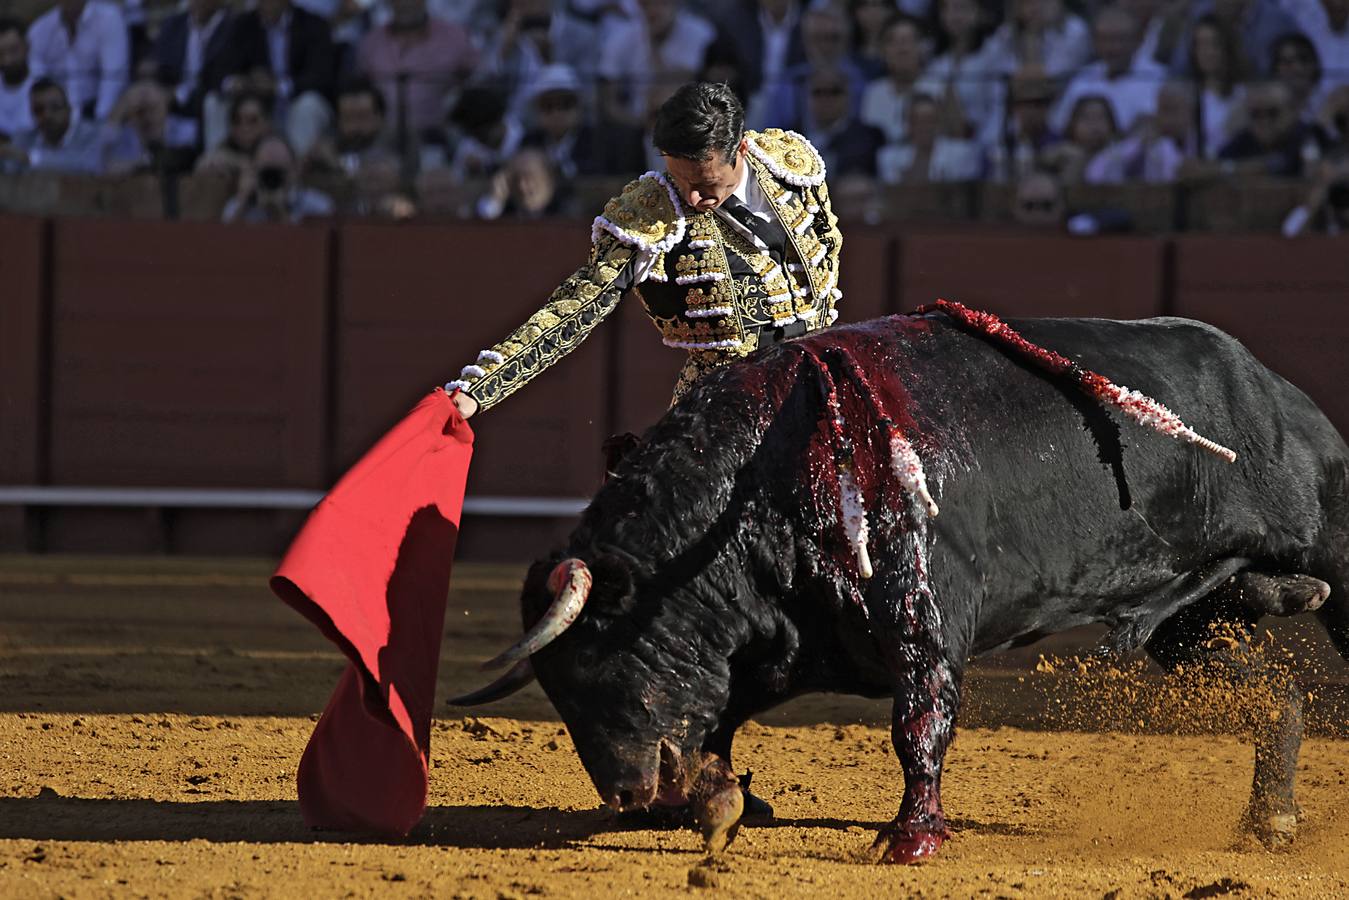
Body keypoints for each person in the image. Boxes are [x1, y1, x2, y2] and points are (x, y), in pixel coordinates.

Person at [446, 81, 843, 418]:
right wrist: (480, 389)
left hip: (818, 387)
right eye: (679, 178)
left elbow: (827, 248)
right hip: (722, 409)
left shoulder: (789, 165)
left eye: (706, 183)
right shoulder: (648, 215)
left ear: (739, 150)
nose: (692, 197)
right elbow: (577, 306)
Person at [25, 0, 129, 121]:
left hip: (97, 109)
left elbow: (114, 77)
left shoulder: (109, 18)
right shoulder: (39, 31)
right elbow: (37, 79)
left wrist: (100, 119)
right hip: (56, 113)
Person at [222, 133, 335, 223]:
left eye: (279, 172)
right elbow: (226, 238)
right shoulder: (241, 204)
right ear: (254, 171)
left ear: (294, 171)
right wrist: (243, 201)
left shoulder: (316, 206)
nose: (272, 179)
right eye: (266, 172)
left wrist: (281, 213)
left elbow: (312, 243)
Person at [11, 76, 105, 172]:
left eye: (55, 107)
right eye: (39, 110)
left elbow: (85, 164)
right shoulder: (23, 139)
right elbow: (9, 168)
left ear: (69, 109)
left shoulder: (92, 135)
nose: (47, 115)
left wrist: (31, 158)